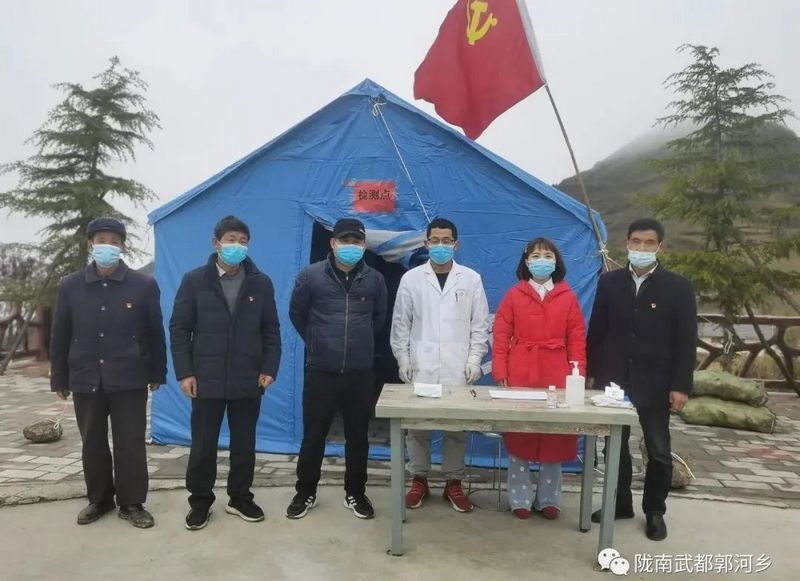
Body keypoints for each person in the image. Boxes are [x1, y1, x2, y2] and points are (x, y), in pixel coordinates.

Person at [50, 217, 167, 528]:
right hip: (86, 376)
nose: (108, 246)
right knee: (92, 441)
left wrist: (157, 371)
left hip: (130, 377)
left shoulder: (143, 285)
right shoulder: (71, 285)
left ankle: (132, 502)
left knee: (130, 442)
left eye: (114, 242)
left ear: (122, 246)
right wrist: (59, 377)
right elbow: (60, 334)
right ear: (91, 244)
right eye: (101, 240)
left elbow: (155, 332)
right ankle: (99, 499)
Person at [587, 218, 697, 541]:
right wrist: (592, 372)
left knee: (658, 449)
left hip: (656, 380)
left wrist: (681, 386)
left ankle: (654, 511)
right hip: (613, 379)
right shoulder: (609, 283)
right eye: (636, 242)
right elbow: (597, 331)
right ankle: (620, 502)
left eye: (649, 243)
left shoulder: (678, 288)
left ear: (660, 247)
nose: (642, 248)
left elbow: (686, 341)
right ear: (626, 244)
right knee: (614, 446)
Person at [170, 215, 281, 531]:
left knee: (244, 444)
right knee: (203, 445)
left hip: (248, 377)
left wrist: (269, 367)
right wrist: (185, 373)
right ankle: (200, 502)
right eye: (231, 239)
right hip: (206, 378)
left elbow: (271, 330)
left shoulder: (260, 282)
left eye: (243, 241)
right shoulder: (195, 280)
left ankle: (240, 498)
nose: (237, 246)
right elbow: (180, 328)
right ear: (216, 243)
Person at [287, 218, 387, 520]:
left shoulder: (374, 279)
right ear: (333, 243)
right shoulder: (311, 276)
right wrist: (318, 342)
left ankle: (356, 493)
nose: (350, 246)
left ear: (364, 246)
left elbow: (378, 319)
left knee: (358, 437)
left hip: (359, 372)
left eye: (356, 242)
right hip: (321, 370)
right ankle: (305, 492)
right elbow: (297, 314)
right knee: (314, 435)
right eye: (345, 241)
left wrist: (358, 344)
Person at [390, 217, 489, 512]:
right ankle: (418, 479)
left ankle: (453, 483)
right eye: (435, 240)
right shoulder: (411, 279)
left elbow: (480, 325)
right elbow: (401, 323)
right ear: (426, 243)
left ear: (456, 245)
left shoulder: (470, 279)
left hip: (457, 366)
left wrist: (474, 360)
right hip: (421, 364)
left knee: (455, 427)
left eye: (447, 241)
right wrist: (403, 359)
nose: (441, 246)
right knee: (417, 427)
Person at [492, 238, 586, 520]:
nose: (541, 260)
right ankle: (519, 497)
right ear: (526, 262)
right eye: (536, 255)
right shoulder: (514, 295)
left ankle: (549, 498)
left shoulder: (567, 297)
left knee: (555, 436)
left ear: (556, 262)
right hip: (521, 369)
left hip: (557, 372)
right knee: (520, 433)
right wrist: (500, 371)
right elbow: (500, 335)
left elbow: (577, 339)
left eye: (547, 255)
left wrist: (578, 374)